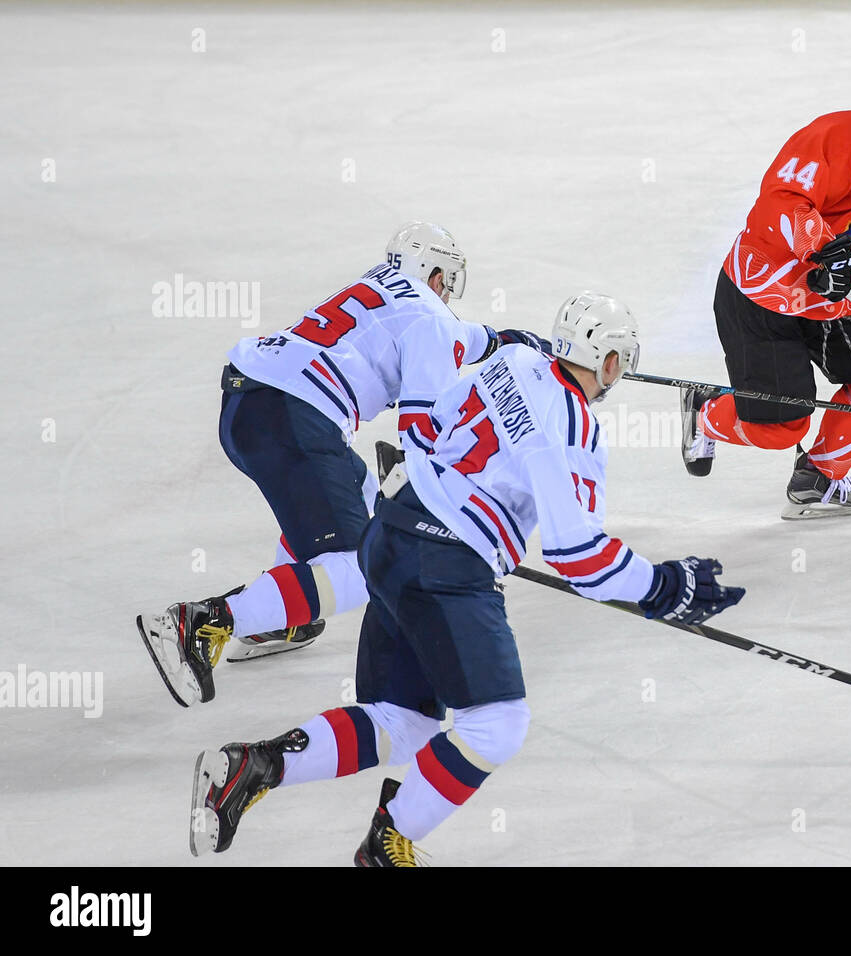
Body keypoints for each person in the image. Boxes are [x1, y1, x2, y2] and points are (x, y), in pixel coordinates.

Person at [185, 292, 745, 865]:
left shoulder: (513, 362)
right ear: (608, 363)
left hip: (391, 534)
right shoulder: (572, 430)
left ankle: (253, 767)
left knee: (403, 722)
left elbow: (423, 429)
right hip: (445, 568)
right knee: (495, 726)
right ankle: (388, 842)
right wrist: (663, 587)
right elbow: (579, 556)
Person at [137, 221, 549, 707]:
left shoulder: (384, 287)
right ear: (435, 274)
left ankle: (284, 615)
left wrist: (503, 341)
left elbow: (448, 335)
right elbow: (420, 434)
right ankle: (204, 622)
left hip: (249, 405)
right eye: (447, 279)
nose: (447, 291)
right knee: (359, 566)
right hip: (294, 421)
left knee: (354, 512)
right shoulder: (432, 320)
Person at [681, 49, 851, 519]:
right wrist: (823, 247)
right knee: (780, 428)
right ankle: (707, 413)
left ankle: (821, 477)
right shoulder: (832, 136)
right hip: (764, 299)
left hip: (833, 304)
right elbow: (780, 202)